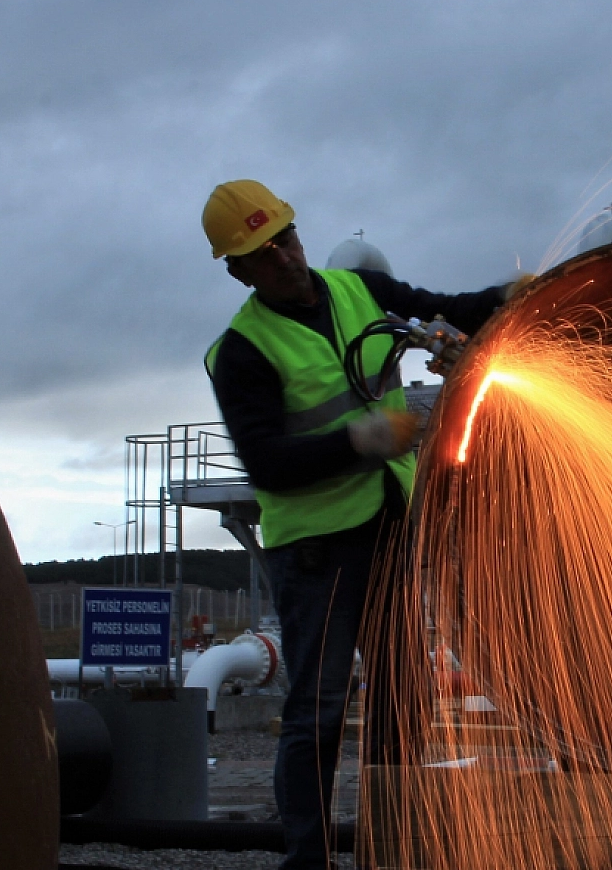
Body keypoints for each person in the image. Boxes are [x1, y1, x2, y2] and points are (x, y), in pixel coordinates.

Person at [201, 179, 506, 870]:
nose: (283, 255)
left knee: (406, 695)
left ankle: (394, 845)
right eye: (262, 250)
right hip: (317, 551)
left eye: (285, 236)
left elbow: (443, 310)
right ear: (237, 269)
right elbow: (267, 463)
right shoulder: (243, 350)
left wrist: (507, 298)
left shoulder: (356, 291)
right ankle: (308, 861)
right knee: (318, 711)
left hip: (388, 528)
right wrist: (360, 439)